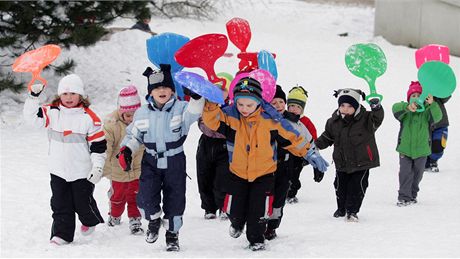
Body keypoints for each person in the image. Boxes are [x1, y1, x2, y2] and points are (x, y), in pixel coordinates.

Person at [202, 77, 329, 251]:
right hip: (238, 174)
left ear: (259, 103)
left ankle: (256, 238)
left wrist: (310, 153)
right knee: (235, 210)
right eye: (240, 105)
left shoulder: (271, 120)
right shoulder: (231, 116)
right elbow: (211, 121)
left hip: (264, 174)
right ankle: (237, 223)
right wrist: (212, 101)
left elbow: (293, 137)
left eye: (249, 105)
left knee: (258, 211)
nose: (244, 109)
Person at [117, 64, 204, 252]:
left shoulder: (181, 108)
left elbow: (195, 113)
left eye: (165, 87)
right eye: (157, 88)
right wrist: (127, 150)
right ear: (150, 93)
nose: (161, 90)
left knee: (175, 198)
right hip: (151, 161)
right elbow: (133, 136)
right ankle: (154, 220)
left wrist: (196, 97)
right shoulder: (142, 113)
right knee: (145, 196)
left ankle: (172, 234)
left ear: (172, 90)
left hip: (175, 160)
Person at [23, 74, 106, 245]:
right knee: (60, 203)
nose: (69, 98)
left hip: (82, 172)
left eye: (73, 94)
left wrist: (97, 167)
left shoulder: (90, 118)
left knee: (82, 203)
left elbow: (98, 147)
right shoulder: (51, 112)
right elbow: (32, 119)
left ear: (81, 96)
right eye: (65, 94)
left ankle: (89, 220)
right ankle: (62, 234)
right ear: (59, 95)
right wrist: (33, 98)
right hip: (58, 170)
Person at [265, 85, 325, 241]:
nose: (278, 106)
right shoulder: (262, 119)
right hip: (263, 167)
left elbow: (308, 141)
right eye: (273, 102)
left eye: (281, 102)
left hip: (285, 167)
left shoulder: (295, 122)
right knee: (263, 198)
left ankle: (272, 227)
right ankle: (258, 225)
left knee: (278, 199)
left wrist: (316, 162)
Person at [315, 88, 384, 222]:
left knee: (357, 187)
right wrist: (315, 145)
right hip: (342, 162)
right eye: (342, 105)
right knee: (340, 186)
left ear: (357, 106)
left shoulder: (366, 119)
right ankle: (341, 208)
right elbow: (327, 137)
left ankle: (352, 211)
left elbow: (378, 118)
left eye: (350, 106)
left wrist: (376, 107)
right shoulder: (333, 121)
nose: (345, 109)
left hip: (361, 162)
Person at [103, 85, 144, 234]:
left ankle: (135, 219)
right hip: (117, 169)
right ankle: (114, 215)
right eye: (128, 115)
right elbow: (106, 142)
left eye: (135, 115)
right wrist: (103, 157)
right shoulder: (112, 124)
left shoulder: (143, 123)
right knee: (118, 197)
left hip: (138, 169)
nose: (131, 119)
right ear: (121, 113)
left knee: (136, 195)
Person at [392, 81, 441, 206]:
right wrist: (406, 108)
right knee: (405, 173)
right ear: (408, 99)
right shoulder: (405, 112)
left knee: (418, 174)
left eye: (419, 95)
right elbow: (395, 108)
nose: (416, 98)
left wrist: (433, 104)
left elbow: (438, 117)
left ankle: (412, 194)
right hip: (405, 149)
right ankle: (403, 196)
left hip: (422, 150)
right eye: (413, 96)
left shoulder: (427, 112)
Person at [195, 85, 231, 220]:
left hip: (223, 145)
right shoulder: (205, 105)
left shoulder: (229, 108)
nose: (219, 95)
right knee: (204, 176)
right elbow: (198, 120)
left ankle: (223, 206)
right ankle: (209, 207)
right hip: (206, 142)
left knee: (222, 178)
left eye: (223, 92)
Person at [284, 86, 322, 204]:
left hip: (299, 156)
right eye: (291, 106)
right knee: (283, 175)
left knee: (294, 175)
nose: (294, 109)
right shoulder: (282, 119)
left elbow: (313, 142)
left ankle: (291, 193)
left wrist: (316, 162)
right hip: (284, 153)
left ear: (303, 109)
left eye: (298, 107)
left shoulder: (306, 122)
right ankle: (281, 192)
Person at [425, 95, 451, 172]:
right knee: (425, 143)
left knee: (438, 145)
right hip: (425, 124)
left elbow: (445, 96)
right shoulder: (420, 89)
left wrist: (442, 90)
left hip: (441, 123)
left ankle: (433, 161)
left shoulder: (437, 92)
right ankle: (424, 161)